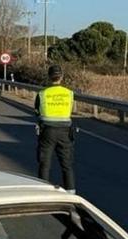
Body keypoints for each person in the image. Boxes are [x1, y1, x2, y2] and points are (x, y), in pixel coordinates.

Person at [35, 65, 76, 193]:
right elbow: (72, 110)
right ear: (61, 77)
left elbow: (37, 111)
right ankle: (70, 191)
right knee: (67, 164)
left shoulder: (42, 94)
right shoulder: (69, 93)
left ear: (49, 77)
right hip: (65, 131)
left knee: (45, 163)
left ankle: (43, 190)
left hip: (47, 130)